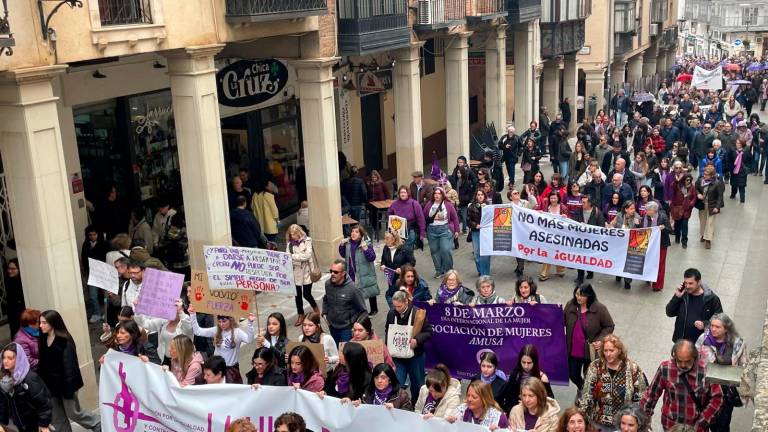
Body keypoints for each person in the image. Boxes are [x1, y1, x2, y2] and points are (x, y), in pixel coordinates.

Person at [37, 310, 101, 432]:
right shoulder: (43, 339)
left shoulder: (64, 340)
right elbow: (43, 363)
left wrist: (69, 389)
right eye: (40, 322)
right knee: (57, 417)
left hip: (66, 385)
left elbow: (70, 368)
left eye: (44, 323)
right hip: (50, 386)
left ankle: (97, 423)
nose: (40, 326)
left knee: (73, 413)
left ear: (53, 323)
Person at [640, 340, 723, 432]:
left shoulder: (706, 372)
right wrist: (644, 420)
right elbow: (652, 394)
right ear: (674, 355)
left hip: (696, 427)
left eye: (687, 361)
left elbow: (717, 398)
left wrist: (702, 421)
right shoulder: (666, 368)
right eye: (679, 361)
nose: (683, 365)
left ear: (694, 357)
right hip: (671, 426)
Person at [577, 334, 648, 431]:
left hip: (623, 424)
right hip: (598, 422)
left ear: (619, 351)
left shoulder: (632, 368)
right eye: (605, 350)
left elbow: (641, 395)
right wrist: (581, 416)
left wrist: (637, 419)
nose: (608, 354)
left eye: (611, 350)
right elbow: (586, 394)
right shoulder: (595, 366)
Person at [694, 313, 746, 432]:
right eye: (712, 325)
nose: (713, 329)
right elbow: (694, 359)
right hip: (706, 389)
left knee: (722, 425)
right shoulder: (703, 339)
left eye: (718, 327)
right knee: (703, 422)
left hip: (726, 392)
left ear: (726, 328)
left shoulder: (738, 343)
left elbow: (744, 365)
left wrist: (743, 389)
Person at [564, 284, 615, 392]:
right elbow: (561, 321)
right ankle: (583, 389)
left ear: (589, 295)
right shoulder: (570, 305)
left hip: (590, 351)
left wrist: (601, 339)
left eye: (582, 295)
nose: (578, 297)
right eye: (577, 294)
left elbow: (609, 325)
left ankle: (587, 393)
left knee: (589, 377)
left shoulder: (600, 308)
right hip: (573, 351)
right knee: (572, 374)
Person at [385, 290, 432, 404]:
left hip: (415, 357)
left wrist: (417, 340)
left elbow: (429, 332)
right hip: (398, 356)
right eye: (394, 306)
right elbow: (388, 330)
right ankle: (399, 405)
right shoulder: (391, 313)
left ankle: (416, 406)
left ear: (406, 302)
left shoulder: (418, 314)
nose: (396, 309)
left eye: (399, 306)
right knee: (397, 383)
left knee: (417, 385)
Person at [188, 306, 255, 384]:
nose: (221, 324)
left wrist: (250, 324)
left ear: (230, 320)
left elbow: (249, 340)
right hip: (216, 368)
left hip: (231, 369)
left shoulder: (237, 332)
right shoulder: (216, 330)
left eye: (224, 321)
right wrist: (192, 315)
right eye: (219, 321)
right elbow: (198, 331)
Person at [0, 343, 52, 432]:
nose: (5, 361)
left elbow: (44, 403)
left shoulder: (30, 378)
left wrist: (43, 424)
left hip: (34, 423)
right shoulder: (5, 379)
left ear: (19, 359)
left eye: (10, 358)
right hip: (20, 423)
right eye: (4, 357)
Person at [666, 267, 723, 343]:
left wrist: (705, 324)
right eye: (685, 283)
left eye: (690, 283)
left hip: (701, 344)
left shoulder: (712, 299)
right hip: (681, 342)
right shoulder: (682, 295)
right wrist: (677, 297)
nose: (687, 286)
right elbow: (669, 313)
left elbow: (720, 321)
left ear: (699, 282)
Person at [499, 344, 554, 413]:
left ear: (534, 362)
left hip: (536, 413)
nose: (526, 366)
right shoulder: (515, 375)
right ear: (520, 361)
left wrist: (532, 404)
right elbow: (508, 398)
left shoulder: (542, 377)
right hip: (517, 413)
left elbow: (550, 401)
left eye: (529, 363)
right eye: (523, 362)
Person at [322, 259, 367, 343]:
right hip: (332, 326)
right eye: (331, 271)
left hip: (347, 329)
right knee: (336, 351)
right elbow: (326, 299)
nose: (332, 274)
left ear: (343, 273)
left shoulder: (353, 289)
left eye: (336, 272)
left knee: (345, 353)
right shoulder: (327, 284)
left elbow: (363, 311)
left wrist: (356, 327)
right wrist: (324, 313)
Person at [134, 299, 191, 364]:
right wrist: (138, 309)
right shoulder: (163, 321)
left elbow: (188, 329)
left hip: (182, 360)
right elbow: (145, 323)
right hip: (164, 359)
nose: (171, 311)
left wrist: (180, 311)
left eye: (175, 308)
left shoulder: (185, 322)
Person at [339, 225, 380, 316]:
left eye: (356, 232)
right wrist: (341, 245)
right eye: (352, 231)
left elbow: (372, 257)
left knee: (369, 289)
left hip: (365, 271)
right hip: (352, 272)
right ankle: (360, 312)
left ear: (361, 235)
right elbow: (343, 254)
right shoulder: (348, 243)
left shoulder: (366, 243)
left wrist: (366, 249)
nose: (353, 233)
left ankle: (374, 309)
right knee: (356, 293)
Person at [285, 224, 320, 326]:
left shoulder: (307, 240)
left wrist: (293, 256)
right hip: (295, 272)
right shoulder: (289, 245)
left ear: (299, 233)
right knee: (297, 295)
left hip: (307, 272)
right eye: (291, 235)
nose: (293, 236)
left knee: (306, 294)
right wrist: (295, 257)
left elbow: (307, 255)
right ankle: (300, 314)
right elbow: (287, 257)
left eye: (295, 234)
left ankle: (315, 308)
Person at [423, 187, 460, 279]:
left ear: (442, 195)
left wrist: (456, 230)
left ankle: (449, 270)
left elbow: (455, 218)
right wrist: (423, 231)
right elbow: (424, 218)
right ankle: (439, 270)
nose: (437, 195)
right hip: (432, 230)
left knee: (445, 249)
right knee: (435, 251)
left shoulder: (448, 205)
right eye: (435, 193)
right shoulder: (429, 205)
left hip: (445, 230)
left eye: (439, 193)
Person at [573, 195, 605, 283]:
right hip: (580, 240)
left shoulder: (597, 213)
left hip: (592, 241)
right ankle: (580, 277)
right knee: (580, 258)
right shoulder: (578, 211)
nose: (581, 204)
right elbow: (573, 223)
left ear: (590, 203)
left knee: (589, 258)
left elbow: (601, 227)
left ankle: (590, 271)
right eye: (581, 202)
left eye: (584, 202)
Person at [81, 225, 109, 323]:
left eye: (94, 234)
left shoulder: (104, 244)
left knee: (106, 294)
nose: (92, 237)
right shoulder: (86, 245)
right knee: (92, 295)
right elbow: (84, 258)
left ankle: (107, 312)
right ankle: (96, 313)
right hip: (91, 273)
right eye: (90, 235)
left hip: (103, 272)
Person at [380, 231, 415, 308]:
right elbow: (383, 260)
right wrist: (382, 265)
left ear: (394, 239)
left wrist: (402, 269)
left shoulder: (405, 248)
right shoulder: (386, 248)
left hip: (402, 278)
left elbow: (412, 262)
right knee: (394, 297)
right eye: (385, 238)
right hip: (391, 278)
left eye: (387, 239)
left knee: (403, 297)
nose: (385, 241)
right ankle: (396, 312)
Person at [641, 201, 670, 291]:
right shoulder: (645, 217)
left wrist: (664, 228)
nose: (645, 211)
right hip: (648, 244)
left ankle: (658, 285)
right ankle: (648, 277)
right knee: (648, 262)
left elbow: (670, 230)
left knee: (660, 265)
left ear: (653, 210)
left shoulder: (663, 217)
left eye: (647, 210)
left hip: (661, 245)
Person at [610, 201, 639, 289]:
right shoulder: (619, 215)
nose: (633, 210)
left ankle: (627, 281)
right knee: (619, 260)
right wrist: (610, 226)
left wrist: (638, 225)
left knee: (628, 263)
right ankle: (618, 275)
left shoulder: (636, 217)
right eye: (631, 209)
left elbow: (641, 230)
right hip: (619, 244)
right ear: (626, 209)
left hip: (631, 244)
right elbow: (612, 224)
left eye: (634, 208)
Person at [539, 192, 568, 281]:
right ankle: (544, 273)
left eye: (554, 198)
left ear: (558, 198)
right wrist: (540, 213)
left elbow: (569, 220)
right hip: (548, 234)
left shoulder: (563, 208)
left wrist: (565, 217)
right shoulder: (546, 207)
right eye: (551, 198)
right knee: (547, 252)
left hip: (560, 234)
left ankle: (560, 269)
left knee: (559, 252)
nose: (553, 200)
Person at [387, 185, 426, 251]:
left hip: (410, 230)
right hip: (397, 231)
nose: (403, 194)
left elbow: (421, 219)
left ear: (408, 193)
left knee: (407, 250)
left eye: (404, 192)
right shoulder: (394, 204)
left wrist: (422, 232)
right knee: (398, 251)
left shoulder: (414, 204)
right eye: (401, 192)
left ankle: (409, 261)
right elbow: (389, 215)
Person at [695, 165, 724, 249]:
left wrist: (717, 207)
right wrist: (698, 194)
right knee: (702, 221)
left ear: (712, 175)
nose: (704, 176)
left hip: (712, 205)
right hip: (702, 205)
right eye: (704, 174)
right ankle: (703, 234)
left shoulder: (717, 183)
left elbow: (720, 196)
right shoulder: (700, 180)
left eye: (706, 174)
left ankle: (708, 240)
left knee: (710, 223)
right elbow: (695, 188)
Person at [466, 189, 491, 276]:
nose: (480, 196)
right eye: (478, 195)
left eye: (482, 195)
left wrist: (486, 209)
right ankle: (480, 270)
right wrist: (475, 225)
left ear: (484, 196)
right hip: (476, 232)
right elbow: (468, 220)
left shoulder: (489, 206)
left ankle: (486, 273)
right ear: (476, 196)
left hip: (486, 232)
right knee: (477, 254)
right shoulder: (471, 207)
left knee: (486, 253)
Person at [670, 173, 697, 249]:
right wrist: (676, 181)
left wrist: (690, 205)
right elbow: (672, 186)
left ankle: (684, 242)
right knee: (677, 225)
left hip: (686, 210)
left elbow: (694, 198)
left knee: (685, 226)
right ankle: (677, 237)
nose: (688, 181)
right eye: (686, 180)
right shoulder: (678, 186)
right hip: (677, 209)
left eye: (689, 180)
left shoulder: (692, 188)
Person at [727, 138, 752, 203]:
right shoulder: (732, 150)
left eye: (739, 143)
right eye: (737, 143)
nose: (737, 144)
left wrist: (747, 169)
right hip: (734, 170)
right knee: (733, 184)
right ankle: (733, 194)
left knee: (742, 185)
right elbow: (729, 160)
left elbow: (750, 160)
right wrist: (730, 168)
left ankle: (742, 198)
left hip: (742, 171)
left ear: (742, 144)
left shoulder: (746, 151)